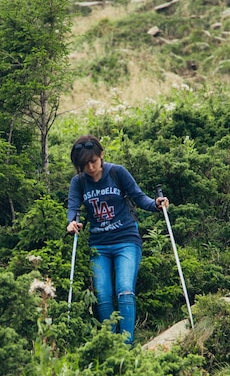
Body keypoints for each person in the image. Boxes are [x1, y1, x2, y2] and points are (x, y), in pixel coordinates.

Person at [67, 134, 169, 344]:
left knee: (124, 290)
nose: (91, 168)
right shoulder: (78, 182)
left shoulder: (117, 172)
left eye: (93, 161)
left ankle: (126, 345)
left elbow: (139, 197)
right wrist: (72, 222)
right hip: (98, 245)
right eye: (84, 165)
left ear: (101, 155)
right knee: (103, 295)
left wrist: (156, 204)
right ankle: (110, 346)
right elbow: (73, 208)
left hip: (126, 239)